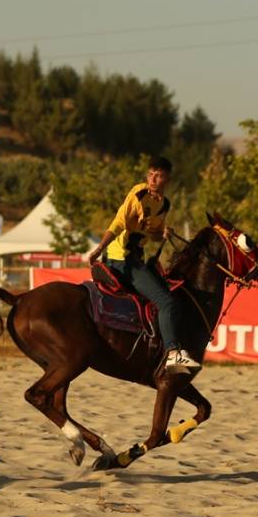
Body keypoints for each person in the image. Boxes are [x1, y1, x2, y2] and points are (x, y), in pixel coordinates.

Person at [87, 156, 200, 376]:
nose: (153, 179)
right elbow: (119, 223)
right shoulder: (138, 193)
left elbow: (153, 234)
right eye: (150, 174)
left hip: (135, 258)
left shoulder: (164, 204)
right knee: (167, 302)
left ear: (167, 178)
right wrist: (99, 249)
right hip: (121, 259)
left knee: (166, 294)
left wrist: (163, 233)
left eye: (158, 175)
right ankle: (171, 352)